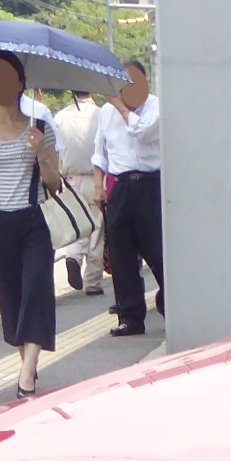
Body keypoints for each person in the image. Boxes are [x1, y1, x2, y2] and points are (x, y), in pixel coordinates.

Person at [0, 54, 61, 396]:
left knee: (37, 290)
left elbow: (54, 184)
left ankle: (26, 376)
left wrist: (41, 152)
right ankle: (28, 365)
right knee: (12, 297)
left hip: (34, 219)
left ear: (21, 83)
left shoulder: (41, 126)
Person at [93, 58, 162, 338]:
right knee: (121, 254)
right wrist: (98, 186)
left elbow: (143, 132)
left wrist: (121, 107)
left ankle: (170, 301)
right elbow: (100, 151)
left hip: (150, 184)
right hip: (120, 186)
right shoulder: (104, 113)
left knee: (157, 251)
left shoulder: (156, 106)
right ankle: (130, 316)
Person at [49, 90, 106, 295]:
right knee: (97, 229)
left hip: (70, 178)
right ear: (91, 91)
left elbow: (54, 149)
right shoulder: (101, 114)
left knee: (78, 223)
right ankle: (93, 282)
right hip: (96, 178)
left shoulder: (60, 116)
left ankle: (73, 255)